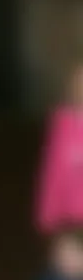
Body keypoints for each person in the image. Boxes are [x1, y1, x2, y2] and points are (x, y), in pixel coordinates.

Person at [35, 66, 83, 234]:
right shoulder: (63, 125)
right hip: (70, 218)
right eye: (78, 84)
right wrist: (47, 214)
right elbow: (53, 171)